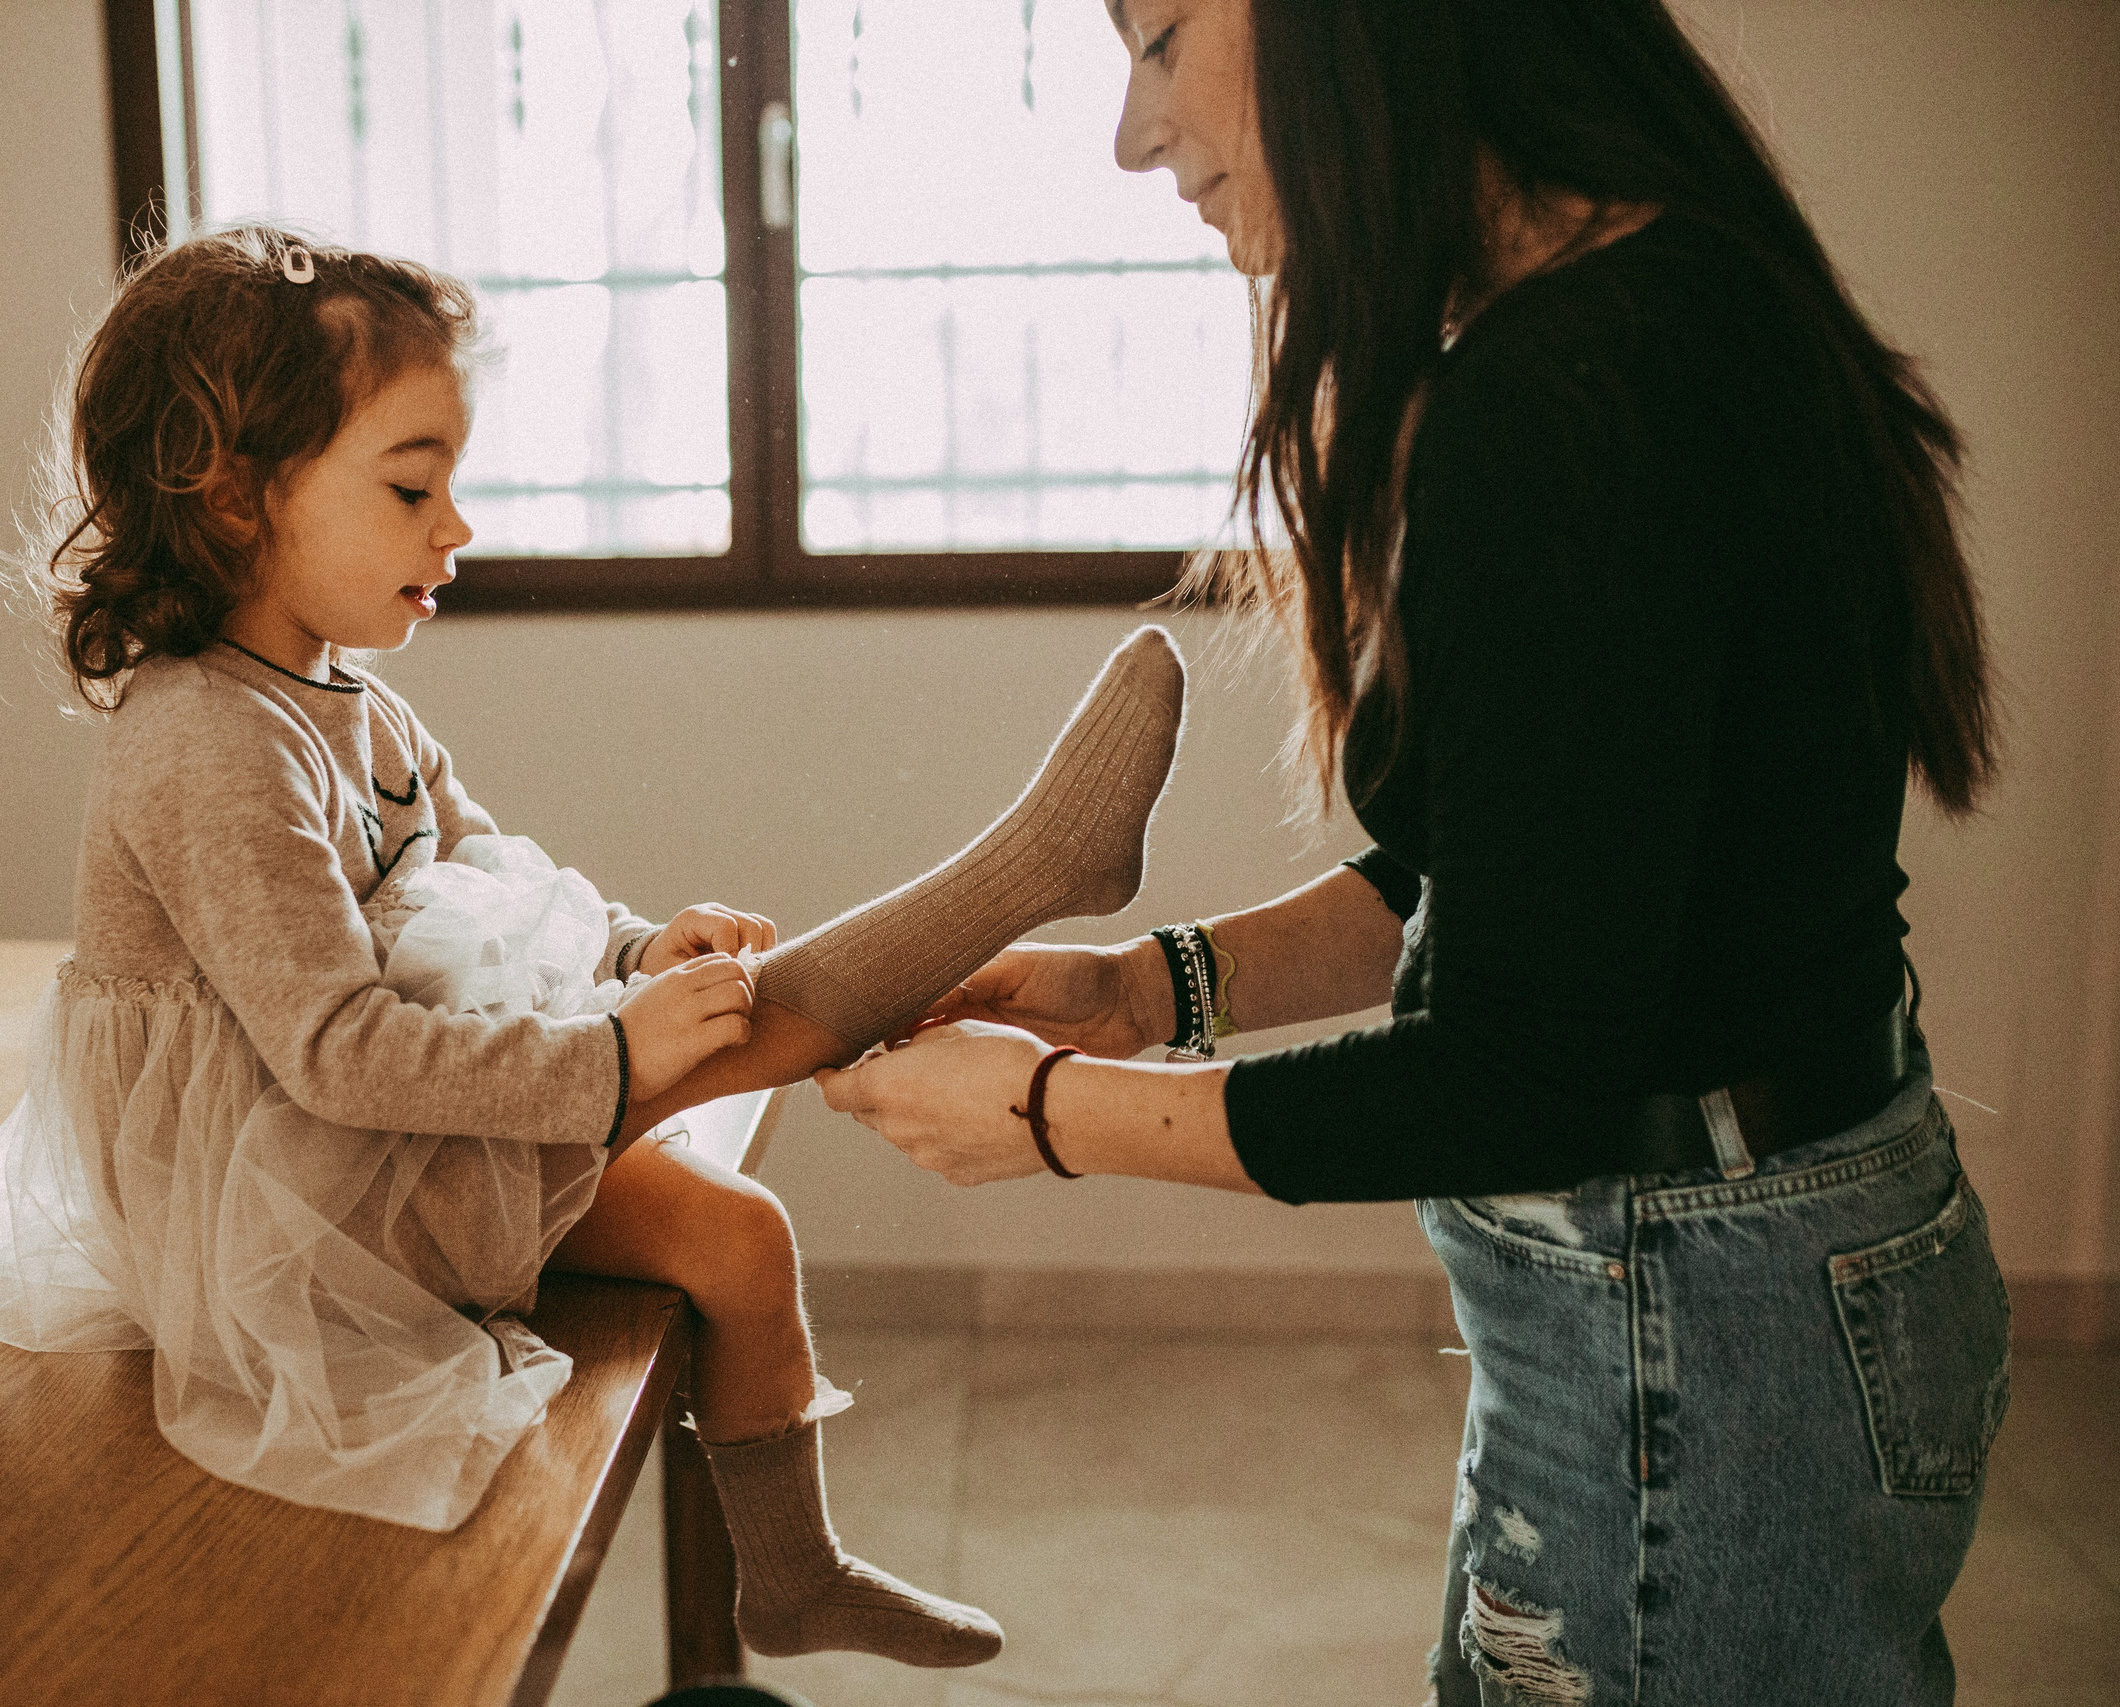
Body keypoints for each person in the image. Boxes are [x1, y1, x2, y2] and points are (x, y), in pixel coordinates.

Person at [820, 1, 2010, 1700]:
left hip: (1703, 1322)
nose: (1135, 138)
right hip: (1752, 1274)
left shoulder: (1569, 393)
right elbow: (1511, 872)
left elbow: (1525, 1070)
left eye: (1161, 39)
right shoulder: (1681, 304)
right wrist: (1148, 993)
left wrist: (1044, 1119)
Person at [0, 224, 1187, 1668]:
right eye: (411, 486)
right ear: (233, 496)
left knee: (741, 1236)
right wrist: (613, 1061)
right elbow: (335, 1052)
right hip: (293, 1199)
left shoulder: (352, 700)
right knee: (745, 1041)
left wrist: (640, 955)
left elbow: (486, 876)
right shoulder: (204, 741)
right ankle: (1029, 874)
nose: (454, 526)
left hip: (380, 1141)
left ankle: (793, 1578)